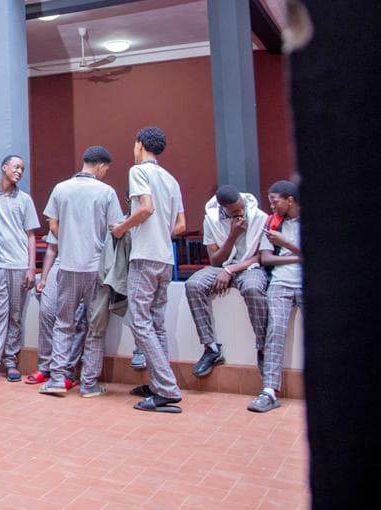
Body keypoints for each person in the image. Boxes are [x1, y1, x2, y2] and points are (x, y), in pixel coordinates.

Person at [110, 127, 186, 413]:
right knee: (155, 322)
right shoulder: (171, 179)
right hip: (166, 258)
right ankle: (158, 384)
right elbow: (179, 226)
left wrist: (121, 227)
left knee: (139, 321)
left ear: (139, 144)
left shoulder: (139, 171)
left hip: (144, 256)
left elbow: (146, 208)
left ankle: (166, 388)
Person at [39, 146, 124, 398]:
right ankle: (88, 384)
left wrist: (68, 240)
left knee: (63, 324)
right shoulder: (106, 192)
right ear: (100, 166)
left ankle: (56, 379)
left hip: (67, 267)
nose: (106, 173)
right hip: (95, 268)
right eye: (106, 169)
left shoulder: (60, 188)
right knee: (94, 327)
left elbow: (52, 224)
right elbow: (116, 228)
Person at [184, 185, 271, 377]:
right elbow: (215, 260)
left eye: (241, 207)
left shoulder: (260, 217)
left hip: (250, 267)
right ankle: (211, 348)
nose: (241, 212)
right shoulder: (211, 220)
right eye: (235, 211)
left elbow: (260, 257)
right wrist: (233, 235)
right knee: (193, 285)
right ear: (223, 209)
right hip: (220, 267)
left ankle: (263, 350)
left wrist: (231, 270)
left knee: (253, 288)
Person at [0, 154, 40, 384]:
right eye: (16, 167)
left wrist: (31, 268)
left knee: (15, 316)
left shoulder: (25, 200)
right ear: (4, 167)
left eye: (22, 168)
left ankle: (11, 361)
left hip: (19, 266)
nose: (19, 171)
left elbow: (31, 236)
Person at [249, 181, 302, 413]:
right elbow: (266, 259)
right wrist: (297, 257)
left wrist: (286, 244)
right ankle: (269, 391)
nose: (271, 206)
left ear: (289, 200)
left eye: (275, 201)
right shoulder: (272, 223)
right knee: (274, 332)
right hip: (280, 283)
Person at [24, 232, 89, 386]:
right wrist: (44, 277)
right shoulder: (61, 213)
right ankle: (46, 366)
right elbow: (51, 248)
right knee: (46, 311)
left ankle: (68, 370)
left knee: (77, 318)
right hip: (60, 262)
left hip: (86, 265)